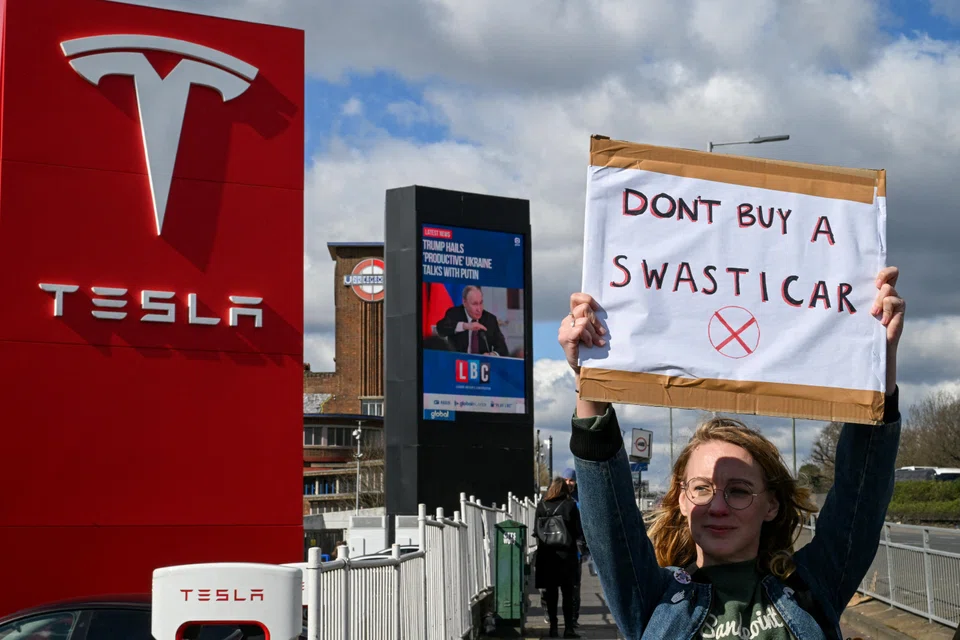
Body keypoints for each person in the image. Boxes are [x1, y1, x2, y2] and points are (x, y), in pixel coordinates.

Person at [557, 267, 905, 639]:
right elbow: (609, 515)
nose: (717, 506)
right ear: (682, 500)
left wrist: (876, 363)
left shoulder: (814, 586)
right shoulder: (653, 596)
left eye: (738, 490)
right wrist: (590, 374)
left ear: (771, 505)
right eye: (702, 488)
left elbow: (861, 495)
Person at [535, 477, 584, 638]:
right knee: (568, 593)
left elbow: (537, 531)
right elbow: (578, 531)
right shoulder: (570, 506)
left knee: (550, 593)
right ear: (565, 489)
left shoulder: (541, 505)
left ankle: (553, 627)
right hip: (566, 555)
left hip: (547, 555)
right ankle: (569, 628)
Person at [435, 285, 509, 356]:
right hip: (458, 362)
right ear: (464, 302)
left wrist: (492, 354)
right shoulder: (454, 313)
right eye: (475, 304)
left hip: (482, 365)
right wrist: (465, 326)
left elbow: (503, 348)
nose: (479, 309)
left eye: (481, 303)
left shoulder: (490, 319)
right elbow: (440, 329)